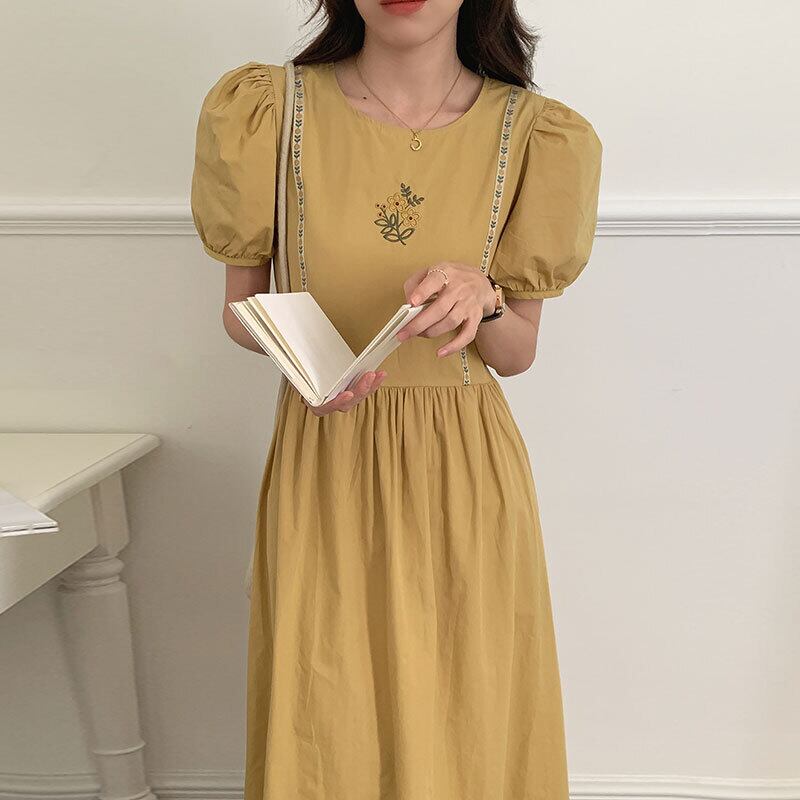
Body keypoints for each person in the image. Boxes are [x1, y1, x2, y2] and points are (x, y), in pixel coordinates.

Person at [190, 0, 602, 796]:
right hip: (327, 452)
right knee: (328, 699)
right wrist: (307, 364)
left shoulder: (537, 133)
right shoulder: (269, 111)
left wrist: (485, 297)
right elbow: (241, 309)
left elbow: (516, 353)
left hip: (465, 469)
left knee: (468, 702)